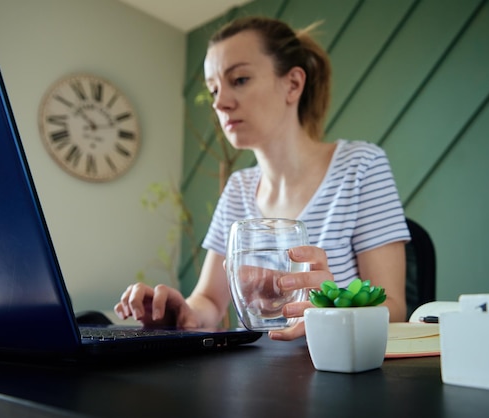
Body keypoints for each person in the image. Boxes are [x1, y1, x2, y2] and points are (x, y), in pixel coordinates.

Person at [115, 16, 410, 341]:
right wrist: (183, 313)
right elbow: (210, 301)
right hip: (255, 378)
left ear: (293, 84)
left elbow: (393, 308)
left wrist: (330, 310)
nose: (219, 102)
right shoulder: (238, 188)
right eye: (214, 89)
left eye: (239, 79)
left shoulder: (361, 166)